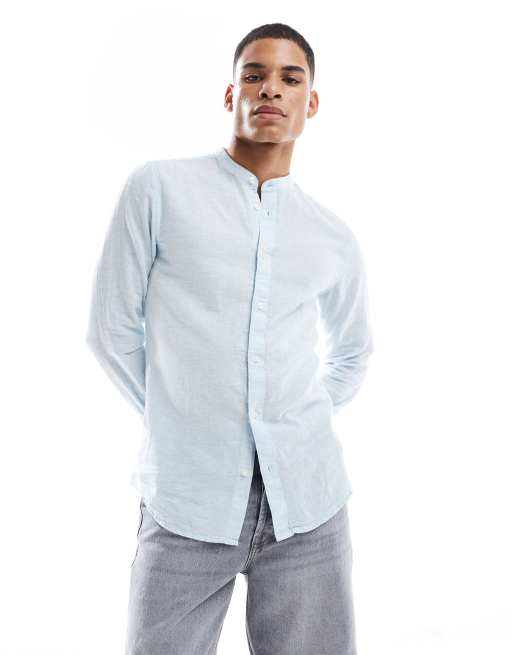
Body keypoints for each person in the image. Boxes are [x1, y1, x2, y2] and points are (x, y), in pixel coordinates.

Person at [86, 21, 374, 655]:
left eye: (290, 79)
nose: (271, 89)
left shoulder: (331, 235)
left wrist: (292, 419)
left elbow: (353, 352)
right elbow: (110, 330)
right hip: (186, 501)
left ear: (311, 102)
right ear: (230, 94)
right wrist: (182, 418)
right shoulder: (159, 189)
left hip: (309, 506)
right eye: (254, 75)